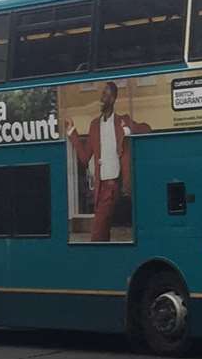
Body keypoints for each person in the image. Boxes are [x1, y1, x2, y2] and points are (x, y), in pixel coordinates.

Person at [62, 82, 151, 243]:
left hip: (112, 185)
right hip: (100, 187)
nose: (104, 98)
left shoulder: (121, 121)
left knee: (97, 232)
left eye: (108, 95)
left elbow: (147, 129)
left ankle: (96, 258)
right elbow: (84, 157)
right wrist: (71, 131)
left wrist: (128, 130)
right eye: (103, 94)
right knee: (103, 232)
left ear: (114, 99)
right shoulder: (94, 125)